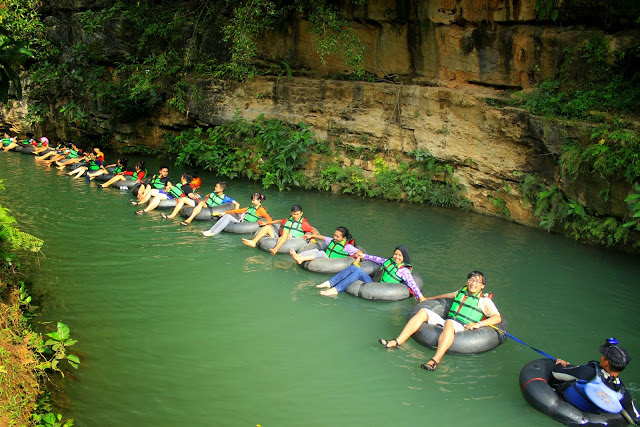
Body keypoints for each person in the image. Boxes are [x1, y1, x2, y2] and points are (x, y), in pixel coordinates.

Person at [377, 271, 501, 371]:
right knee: (423, 312)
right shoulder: (461, 292)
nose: (473, 283)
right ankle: (397, 341)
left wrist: (478, 324)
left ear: (482, 286)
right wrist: (427, 299)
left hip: (463, 327)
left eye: (477, 281)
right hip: (449, 321)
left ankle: (435, 361)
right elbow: (446, 296)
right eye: (471, 280)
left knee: (449, 323)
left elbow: (497, 317)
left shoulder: (485, 301)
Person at [551, 338, 640, 424]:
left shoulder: (588, 372)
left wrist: (559, 365)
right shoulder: (622, 392)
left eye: (604, 356)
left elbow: (556, 373)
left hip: (566, 403)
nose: (602, 357)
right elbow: (635, 419)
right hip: (591, 415)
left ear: (606, 363)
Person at [317, 245, 426, 300]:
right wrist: (364, 256)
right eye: (395, 254)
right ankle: (330, 283)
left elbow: (412, 283)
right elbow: (377, 259)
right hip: (374, 283)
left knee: (357, 273)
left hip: (382, 289)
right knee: (354, 268)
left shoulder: (404, 271)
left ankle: (336, 290)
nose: (396, 257)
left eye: (400, 255)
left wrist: (420, 296)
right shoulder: (389, 261)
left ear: (404, 257)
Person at [242, 204, 317, 255]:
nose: (295, 216)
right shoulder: (288, 220)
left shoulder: (304, 223)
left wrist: (312, 237)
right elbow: (278, 221)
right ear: (291, 213)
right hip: (281, 238)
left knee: (286, 231)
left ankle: (275, 249)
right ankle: (253, 242)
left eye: (297, 214)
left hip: (293, 240)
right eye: (294, 214)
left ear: (301, 214)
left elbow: (313, 231)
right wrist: (267, 223)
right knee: (267, 227)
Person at [202, 193, 272, 237]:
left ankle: (214, 233)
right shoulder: (251, 207)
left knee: (228, 217)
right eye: (252, 200)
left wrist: (265, 223)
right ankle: (210, 231)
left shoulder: (261, 210)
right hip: (241, 222)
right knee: (226, 215)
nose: (252, 202)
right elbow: (238, 210)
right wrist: (225, 212)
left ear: (259, 200)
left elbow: (269, 219)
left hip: (246, 225)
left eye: (254, 200)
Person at [290, 226, 357, 264]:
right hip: (327, 258)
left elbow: (358, 252)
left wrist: (359, 256)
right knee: (315, 250)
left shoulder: (347, 246)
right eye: (334, 235)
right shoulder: (332, 240)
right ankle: (298, 255)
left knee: (321, 253)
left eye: (337, 236)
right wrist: (311, 236)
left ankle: (301, 259)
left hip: (333, 262)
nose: (335, 237)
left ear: (344, 238)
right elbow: (323, 237)